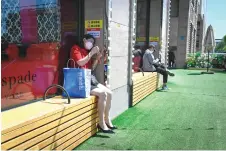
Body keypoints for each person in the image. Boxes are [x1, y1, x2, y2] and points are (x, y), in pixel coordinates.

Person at [70, 34, 116, 133]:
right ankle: (101, 123)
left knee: (110, 93)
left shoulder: (86, 52)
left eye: (92, 42)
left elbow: (91, 69)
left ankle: (107, 119)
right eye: (89, 41)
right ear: (84, 39)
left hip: (90, 78)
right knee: (103, 94)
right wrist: (91, 53)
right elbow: (80, 63)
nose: (90, 44)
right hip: (79, 80)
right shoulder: (75, 48)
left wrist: (97, 57)